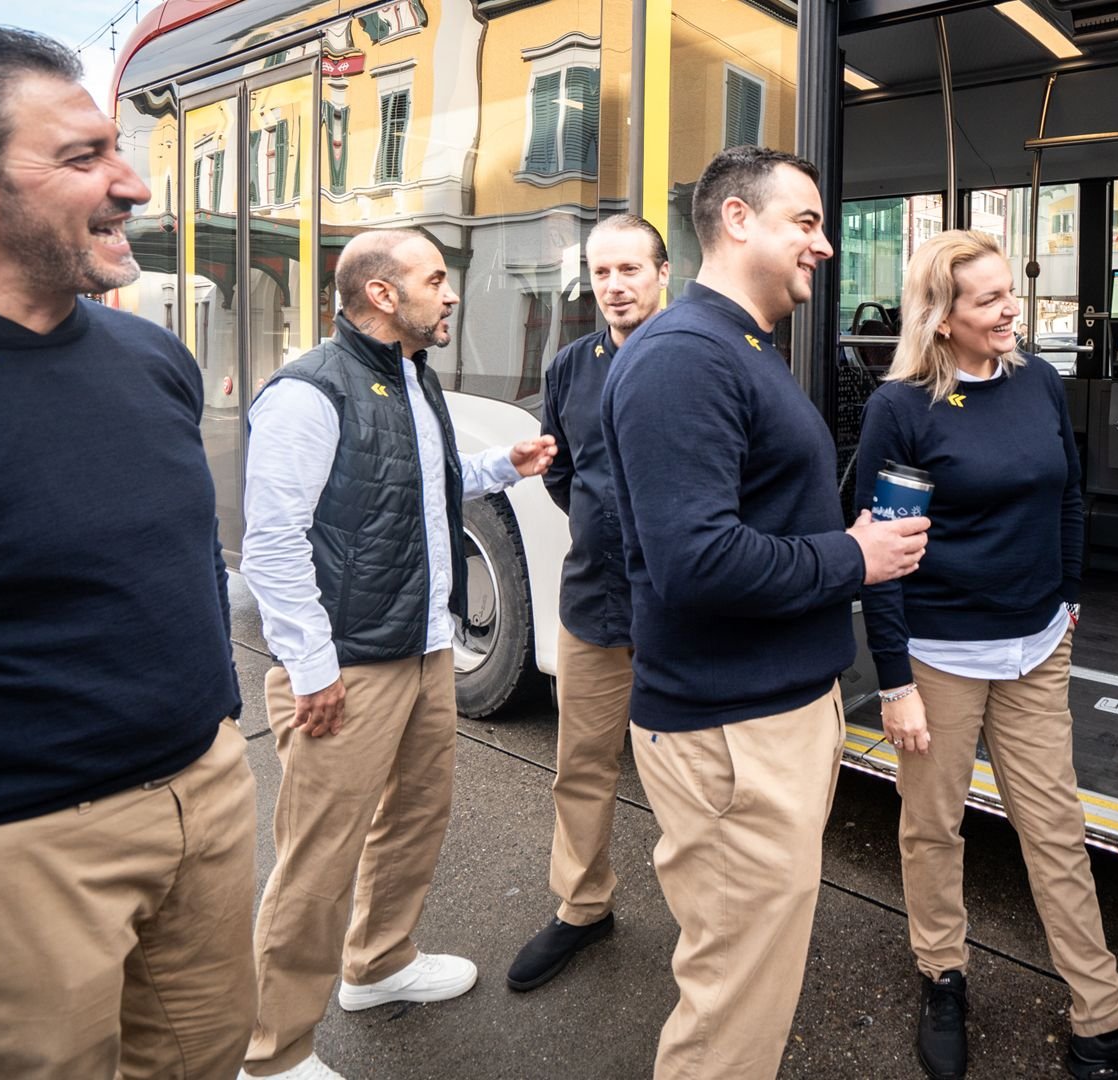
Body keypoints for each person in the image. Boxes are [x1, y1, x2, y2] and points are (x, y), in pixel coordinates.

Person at [603, 145, 929, 1080]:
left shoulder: (737, 346)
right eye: (807, 221)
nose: (823, 245)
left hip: (765, 716)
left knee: (749, 984)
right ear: (737, 221)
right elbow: (694, 563)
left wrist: (846, 540)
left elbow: (749, 518)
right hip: (732, 732)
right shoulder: (685, 358)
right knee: (733, 1008)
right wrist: (853, 556)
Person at [854, 230, 1118, 1080]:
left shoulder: (1040, 381)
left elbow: (1069, 495)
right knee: (933, 828)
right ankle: (942, 976)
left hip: (1038, 649)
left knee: (1056, 828)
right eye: (989, 300)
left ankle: (1102, 1018)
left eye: (1012, 292)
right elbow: (882, 552)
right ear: (942, 319)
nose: (1013, 309)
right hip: (939, 656)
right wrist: (893, 680)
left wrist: (1070, 597)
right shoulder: (900, 408)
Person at [0, 26, 258, 1079]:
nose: (132, 184)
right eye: (82, 158)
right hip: (25, 853)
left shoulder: (152, 355)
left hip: (212, 793)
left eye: (119, 149)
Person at [238, 228, 557, 1080]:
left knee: (416, 817)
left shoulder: (413, 377)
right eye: (435, 280)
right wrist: (312, 668)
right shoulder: (308, 392)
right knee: (318, 857)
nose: (450, 294)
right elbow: (272, 546)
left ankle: (377, 965)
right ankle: (271, 1053)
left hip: (423, 649)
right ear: (382, 295)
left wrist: (504, 466)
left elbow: (419, 484)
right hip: (347, 667)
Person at [507, 214, 670, 991]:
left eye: (630, 269)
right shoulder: (572, 365)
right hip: (594, 604)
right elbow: (562, 472)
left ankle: (711, 926)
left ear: (663, 273)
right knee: (581, 766)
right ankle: (583, 906)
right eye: (602, 272)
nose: (615, 285)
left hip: (682, 611)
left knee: (696, 781)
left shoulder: (695, 359)